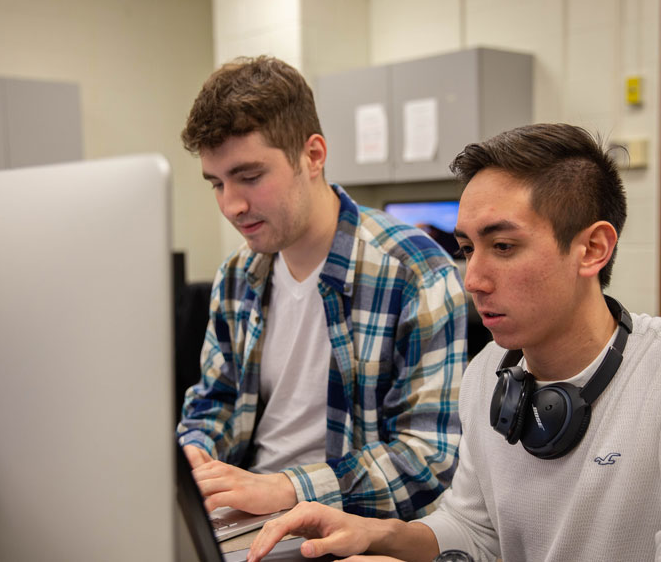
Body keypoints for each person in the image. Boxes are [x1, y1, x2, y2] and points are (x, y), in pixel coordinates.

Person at [247, 123, 661, 561]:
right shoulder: (488, 373)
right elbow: (475, 532)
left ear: (592, 249)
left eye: (502, 246)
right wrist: (377, 534)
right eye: (467, 248)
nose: (472, 278)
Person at [176, 55, 467, 521]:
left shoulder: (412, 270)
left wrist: (286, 489)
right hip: (246, 515)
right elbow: (215, 401)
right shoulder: (237, 274)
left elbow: (426, 461)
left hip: (351, 526)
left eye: (250, 177)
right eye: (217, 183)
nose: (232, 205)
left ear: (313, 155)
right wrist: (194, 454)